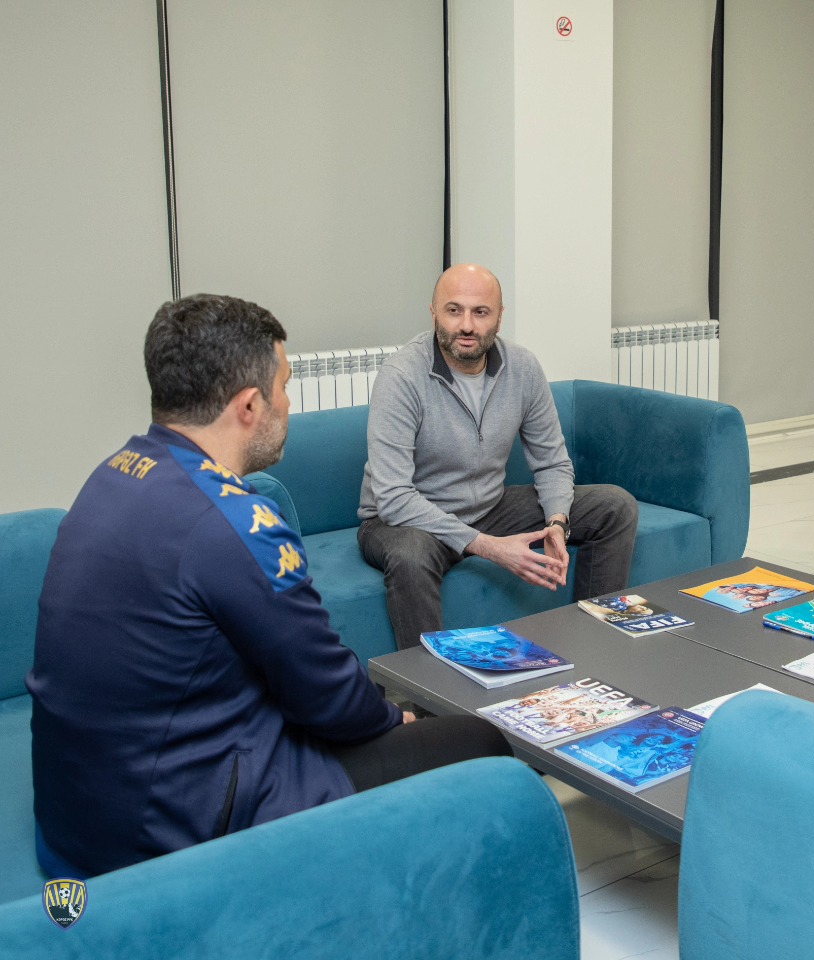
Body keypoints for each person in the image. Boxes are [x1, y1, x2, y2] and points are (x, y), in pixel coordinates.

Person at [28, 294, 509, 878]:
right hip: (166, 832)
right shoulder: (235, 521)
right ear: (250, 405)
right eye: (284, 386)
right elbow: (327, 695)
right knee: (481, 744)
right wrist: (391, 719)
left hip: (76, 818)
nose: (288, 403)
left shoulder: (114, 473)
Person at [358, 264, 638, 648]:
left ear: (500, 317)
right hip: (406, 520)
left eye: (480, 312)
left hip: (488, 507)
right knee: (411, 555)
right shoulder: (401, 376)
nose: (466, 325)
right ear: (434, 313)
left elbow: (552, 462)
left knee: (615, 507)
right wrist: (489, 546)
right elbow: (393, 497)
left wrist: (557, 523)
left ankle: (596, 648)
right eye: (453, 310)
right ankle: (426, 686)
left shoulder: (523, 368)